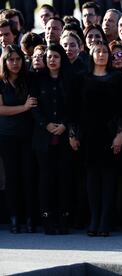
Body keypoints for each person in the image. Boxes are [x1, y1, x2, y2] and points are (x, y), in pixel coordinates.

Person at [70, 42, 122, 237]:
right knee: (91, 178)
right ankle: (93, 219)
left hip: (110, 134)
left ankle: (105, 221)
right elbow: (75, 109)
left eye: (104, 52)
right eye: (97, 51)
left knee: (109, 179)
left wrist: (120, 134)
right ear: (91, 55)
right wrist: (72, 134)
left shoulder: (117, 79)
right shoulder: (82, 79)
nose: (101, 55)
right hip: (88, 135)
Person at [31, 44, 75, 235]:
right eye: (49, 57)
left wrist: (64, 124)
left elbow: (75, 106)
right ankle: (47, 219)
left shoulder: (70, 79)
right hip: (43, 136)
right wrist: (45, 124)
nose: (52, 60)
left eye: (56, 56)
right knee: (46, 179)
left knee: (64, 178)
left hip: (65, 136)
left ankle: (64, 218)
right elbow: (33, 105)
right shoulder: (37, 79)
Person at [0, 45, 36, 234]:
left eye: (18, 59)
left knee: (28, 176)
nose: (15, 63)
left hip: (28, 136)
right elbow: (1, 109)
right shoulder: (1, 82)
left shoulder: (28, 80)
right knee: (12, 178)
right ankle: (15, 218)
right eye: (11, 59)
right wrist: (23, 108)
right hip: (7, 137)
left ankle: (30, 217)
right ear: (5, 62)